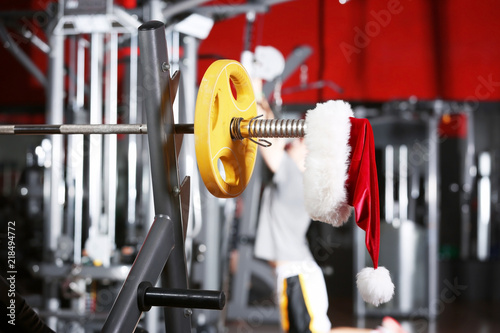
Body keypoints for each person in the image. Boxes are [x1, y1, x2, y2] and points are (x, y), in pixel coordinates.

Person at [252, 83, 406, 333]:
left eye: (299, 141)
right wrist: (261, 99)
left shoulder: (294, 176)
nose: (293, 143)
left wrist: (258, 94)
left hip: (296, 274)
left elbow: (265, 139)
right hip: (296, 273)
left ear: (308, 152)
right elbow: (272, 138)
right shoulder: (299, 178)